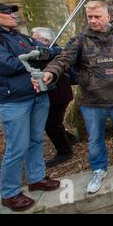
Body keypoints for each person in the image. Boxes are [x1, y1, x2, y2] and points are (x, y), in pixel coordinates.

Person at [33, 1, 113, 194]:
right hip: (92, 102)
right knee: (95, 139)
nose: (93, 20)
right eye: (90, 17)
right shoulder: (79, 41)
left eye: (97, 16)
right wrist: (49, 73)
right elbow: (62, 60)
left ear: (107, 17)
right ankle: (99, 169)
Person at [0, 1, 60, 212]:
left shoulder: (19, 36)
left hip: (38, 95)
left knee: (36, 139)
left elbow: (51, 51)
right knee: (17, 147)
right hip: (15, 101)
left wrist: (37, 54)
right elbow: (9, 65)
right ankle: (10, 193)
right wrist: (37, 54)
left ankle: (36, 178)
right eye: (6, 13)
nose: (13, 16)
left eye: (12, 12)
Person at [31, 27, 75, 167]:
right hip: (52, 94)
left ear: (45, 40)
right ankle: (70, 138)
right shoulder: (40, 52)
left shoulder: (54, 52)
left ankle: (65, 151)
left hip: (58, 94)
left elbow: (60, 62)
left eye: (34, 37)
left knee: (52, 124)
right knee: (54, 123)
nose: (31, 39)